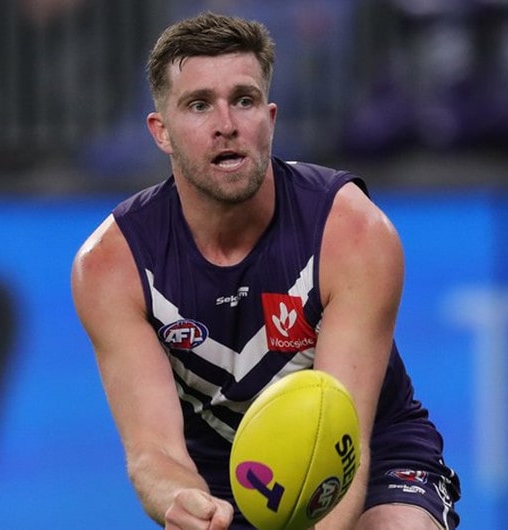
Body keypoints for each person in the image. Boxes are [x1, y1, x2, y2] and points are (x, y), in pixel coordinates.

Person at [71, 11, 460, 529]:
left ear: (270, 118)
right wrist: (184, 501)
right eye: (199, 105)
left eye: (244, 100)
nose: (226, 124)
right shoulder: (111, 265)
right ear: (160, 131)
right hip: (221, 483)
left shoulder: (352, 232)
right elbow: (153, 452)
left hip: (366, 460)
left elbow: (345, 445)